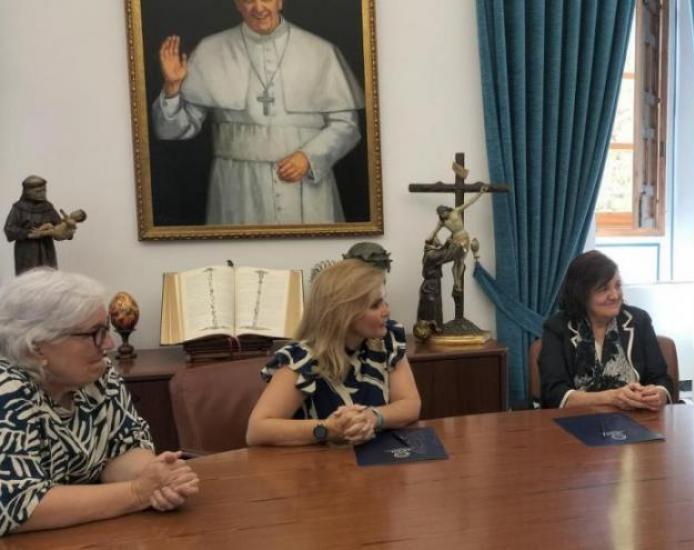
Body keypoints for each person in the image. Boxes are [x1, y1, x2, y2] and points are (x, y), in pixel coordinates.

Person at [0, 269, 199, 536]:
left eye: (106, 329)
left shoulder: (98, 374)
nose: (109, 343)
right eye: (95, 333)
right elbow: (18, 506)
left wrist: (160, 479)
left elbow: (124, 448)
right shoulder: (7, 390)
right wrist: (137, 493)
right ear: (37, 346)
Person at [152, 0, 364, 225]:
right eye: (248, 0)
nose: (258, 8)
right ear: (237, 5)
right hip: (238, 186)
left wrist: (309, 157)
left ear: (280, 1)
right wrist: (173, 88)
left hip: (306, 183)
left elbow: (346, 125)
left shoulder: (321, 51)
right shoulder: (211, 49)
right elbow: (172, 131)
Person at [246, 259, 421, 446]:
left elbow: (410, 404)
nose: (387, 311)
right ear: (344, 312)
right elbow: (257, 431)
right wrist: (328, 429)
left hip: (376, 461)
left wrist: (373, 417)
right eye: (375, 305)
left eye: (384, 301)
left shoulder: (387, 340)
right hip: (316, 467)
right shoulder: (302, 359)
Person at [538, 250, 675, 409]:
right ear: (581, 294)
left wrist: (658, 393)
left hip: (637, 421)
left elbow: (661, 379)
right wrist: (611, 397)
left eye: (617, 285)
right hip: (576, 421)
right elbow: (554, 394)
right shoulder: (557, 327)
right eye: (604, 289)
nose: (615, 295)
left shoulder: (639, 320)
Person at [4, 176, 64, 275]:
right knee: (28, 277)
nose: (43, 193)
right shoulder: (18, 208)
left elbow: (59, 226)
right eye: (38, 191)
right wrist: (28, 234)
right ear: (27, 192)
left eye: (44, 190)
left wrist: (65, 229)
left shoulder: (48, 207)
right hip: (26, 250)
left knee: (48, 277)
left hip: (46, 248)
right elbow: (9, 228)